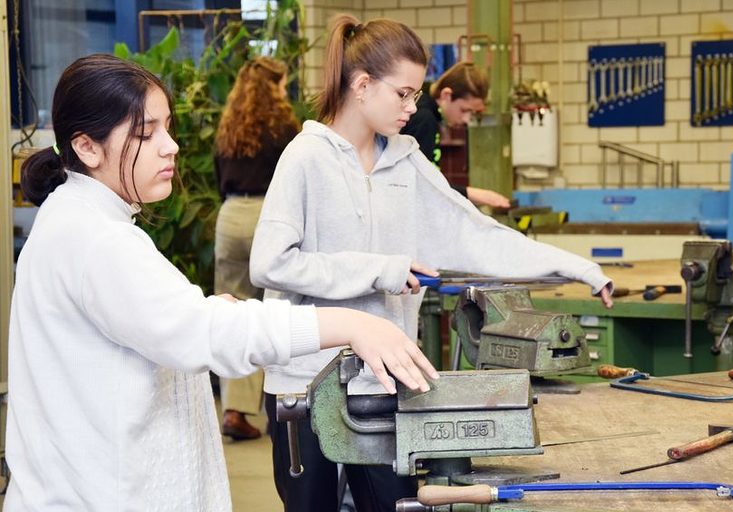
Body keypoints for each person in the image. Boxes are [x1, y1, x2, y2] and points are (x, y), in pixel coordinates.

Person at [5, 53, 437, 512]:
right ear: (88, 148)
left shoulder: (81, 222)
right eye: (145, 133)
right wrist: (353, 325)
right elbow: (203, 333)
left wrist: (208, 312)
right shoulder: (95, 239)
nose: (170, 146)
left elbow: (168, 322)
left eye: (167, 128)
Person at [249, 14, 613, 512]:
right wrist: (381, 268)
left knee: (396, 506)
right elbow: (270, 264)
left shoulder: (407, 161)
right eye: (402, 93)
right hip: (305, 386)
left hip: (384, 384)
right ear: (361, 85)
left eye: (416, 94)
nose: (411, 106)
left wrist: (574, 267)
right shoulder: (305, 158)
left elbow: (475, 233)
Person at [213, 57, 300, 440]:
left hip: (230, 215)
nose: (285, 91)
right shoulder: (284, 127)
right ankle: (284, 401)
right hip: (268, 215)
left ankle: (234, 409)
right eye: (283, 85)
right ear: (275, 86)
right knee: (277, 309)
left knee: (232, 311)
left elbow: (218, 175)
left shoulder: (229, 124)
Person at [401, 60, 511, 209]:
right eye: (464, 110)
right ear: (447, 95)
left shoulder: (429, 113)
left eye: (472, 113)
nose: (466, 120)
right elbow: (420, 182)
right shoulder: (424, 119)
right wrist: (474, 194)